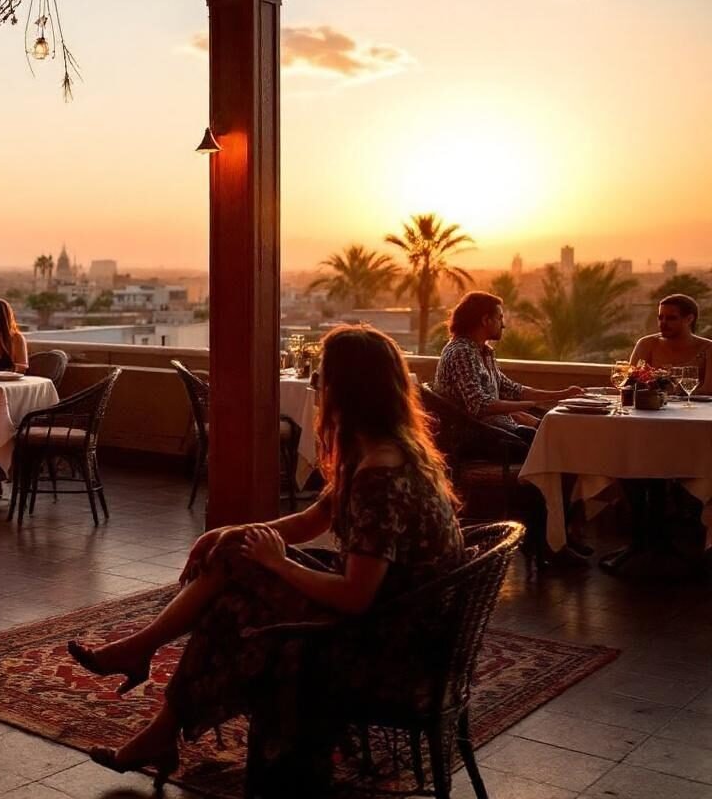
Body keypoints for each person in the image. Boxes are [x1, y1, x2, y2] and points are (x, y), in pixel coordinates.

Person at [65, 325, 465, 791]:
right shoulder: (386, 450)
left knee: (234, 599)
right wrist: (229, 532)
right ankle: (153, 702)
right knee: (236, 568)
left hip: (390, 638)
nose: (317, 387)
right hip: (399, 611)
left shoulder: (381, 473)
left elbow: (357, 597)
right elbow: (314, 518)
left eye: (323, 378)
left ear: (346, 390)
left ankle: (148, 682)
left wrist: (277, 563)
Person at [434, 291, 582, 444]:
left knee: (555, 428)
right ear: (486, 320)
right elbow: (479, 405)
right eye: (500, 318)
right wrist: (529, 406)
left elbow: (512, 389)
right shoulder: (461, 352)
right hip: (479, 437)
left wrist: (561, 394)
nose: (503, 325)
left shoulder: (483, 352)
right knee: (555, 441)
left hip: (498, 428)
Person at [629, 294, 711, 392]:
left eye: (671, 318)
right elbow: (631, 384)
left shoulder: (707, 348)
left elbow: (709, 390)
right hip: (654, 406)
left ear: (689, 319)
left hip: (696, 407)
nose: (663, 322)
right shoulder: (646, 344)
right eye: (660, 317)